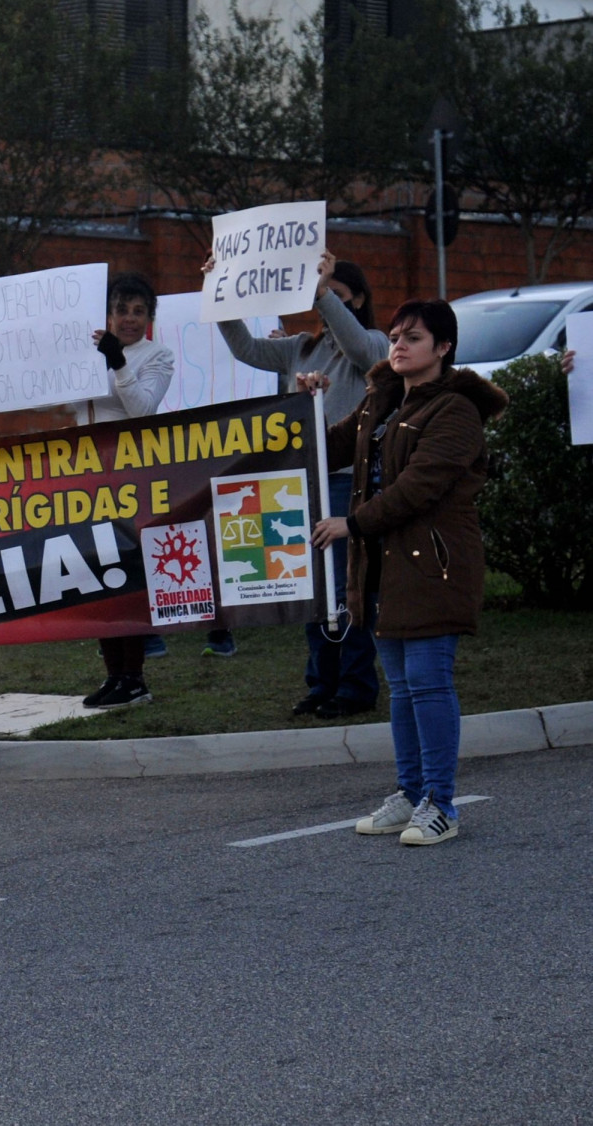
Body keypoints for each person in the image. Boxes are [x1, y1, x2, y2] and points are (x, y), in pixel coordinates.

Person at [306, 299, 506, 846]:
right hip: (384, 565)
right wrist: (307, 404)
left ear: (443, 348)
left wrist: (352, 523)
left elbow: (420, 487)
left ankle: (441, 804)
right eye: (395, 336)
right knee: (400, 687)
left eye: (412, 338)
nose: (398, 345)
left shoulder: (457, 411)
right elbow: (324, 448)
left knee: (428, 682)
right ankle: (411, 790)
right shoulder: (382, 399)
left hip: (433, 564)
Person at [207, 250, 388, 716]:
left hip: (348, 483)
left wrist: (324, 293)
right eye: (322, 298)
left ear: (357, 300)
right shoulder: (299, 348)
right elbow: (245, 348)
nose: (325, 307)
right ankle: (321, 683)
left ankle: (355, 685)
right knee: (310, 588)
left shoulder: (372, 345)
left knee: (348, 588)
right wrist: (221, 293)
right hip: (301, 484)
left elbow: (360, 349)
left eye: (338, 298)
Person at [73, 273, 174, 708]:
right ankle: (114, 675)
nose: (129, 319)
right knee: (98, 573)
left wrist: (118, 362)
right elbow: (46, 396)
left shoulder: (158, 356)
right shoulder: (85, 350)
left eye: (138, 311)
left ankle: (135, 676)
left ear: (150, 318)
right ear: (108, 314)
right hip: (85, 474)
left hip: (130, 476)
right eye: (121, 310)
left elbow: (143, 409)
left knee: (127, 572)